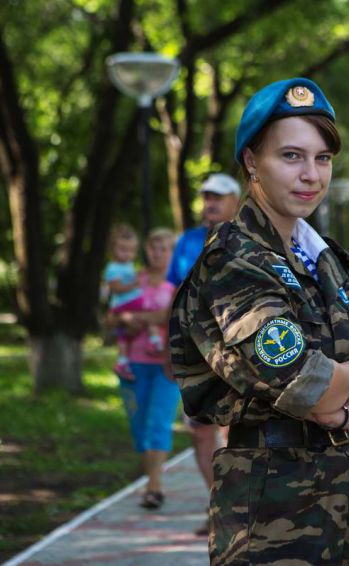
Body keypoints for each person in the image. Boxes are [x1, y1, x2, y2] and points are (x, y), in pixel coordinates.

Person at [169, 77, 349, 564]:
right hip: (268, 508)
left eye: (323, 158)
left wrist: (345, 409)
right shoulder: (234, 259)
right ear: (252, 161)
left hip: (337, 497)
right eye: (291, 156)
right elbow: (308, 387)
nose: (311, 175)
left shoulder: (323, 259)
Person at [167, 172, 240, 536]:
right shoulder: (187, 241)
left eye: (218, 197)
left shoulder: (245, 239)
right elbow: (172, 296)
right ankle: (218, 505)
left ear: (236, 202)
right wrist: (169, 351)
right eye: (207, 197)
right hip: (193, 355)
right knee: (199, 432)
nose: (210, 203)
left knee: (234, 431)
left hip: (236, 355)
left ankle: (239, 507)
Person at [109, 228, 180, 510]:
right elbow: (111, 318)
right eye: (153, 248)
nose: (158, 254)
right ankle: (151, 477)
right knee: (139, 427)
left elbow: (171, 315)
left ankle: (154, 487)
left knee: (158, 423)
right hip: (132, 365)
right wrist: (125, 320)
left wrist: (136, 316)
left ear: (173, 253)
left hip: (166, 366)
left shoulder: (178, 283)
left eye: (164, 248)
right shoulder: (132, 280)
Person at [104, 223, 163, 380]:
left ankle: (122, 362)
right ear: (113, 249)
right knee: (148, 308)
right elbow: (116, 289)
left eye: (130, 251)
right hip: (126, 303)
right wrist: (135, 284)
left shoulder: (129, 266)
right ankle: (154, 339)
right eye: (122, 249)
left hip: (163, 366)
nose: (127, 254)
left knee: (122, 334)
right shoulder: (113, 268)